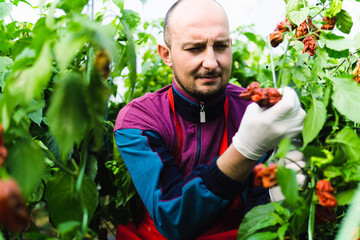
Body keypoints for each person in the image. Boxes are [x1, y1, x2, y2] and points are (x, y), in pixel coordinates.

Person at [114, 0, 306, 239]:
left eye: (221, 46)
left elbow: (260, 215)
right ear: (166, 54)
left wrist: (281, 195)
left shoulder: (254, 108)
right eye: (194, 48)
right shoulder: (141, 119)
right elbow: (173, 218)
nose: (212, 62)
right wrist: (246, 149)